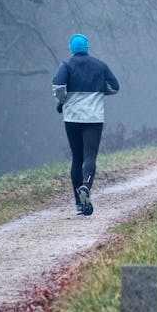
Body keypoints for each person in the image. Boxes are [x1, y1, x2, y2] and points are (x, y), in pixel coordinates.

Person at [52, 33, 119, 216]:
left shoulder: (66, 65)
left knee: (76, 158)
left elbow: (58, 86)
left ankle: (79, 204)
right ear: (86, 47)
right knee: (90, 156)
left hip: (72, 118)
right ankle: (86, 186)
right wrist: (98, 90)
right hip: (93, 119)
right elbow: (114, 87)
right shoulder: (100, 65)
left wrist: (63, 101)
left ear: (72, 49)